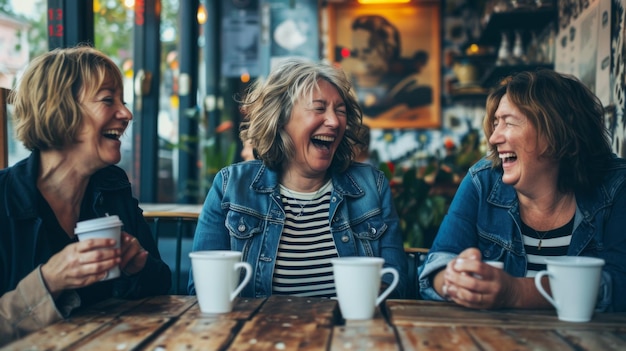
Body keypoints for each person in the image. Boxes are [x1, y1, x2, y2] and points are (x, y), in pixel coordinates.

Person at [188, 58, 408, 299]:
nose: (334, 122)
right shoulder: (230, 187)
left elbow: (397, 284)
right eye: (319, 108)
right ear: (280, 119)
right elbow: (200, 290)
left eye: (340, 111)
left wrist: (371, 294)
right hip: (256, 333)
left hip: (348, 333)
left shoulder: (371, 187)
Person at [0, 46, 172, 344]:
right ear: (59, 109)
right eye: (108, 100)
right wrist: (49, 281)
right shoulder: (5, 199)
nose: (127, 114)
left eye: (124, 101)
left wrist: (137, 266)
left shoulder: (112, 187)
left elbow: (160, 290)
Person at [418, 69, 626, 312]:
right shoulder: (482, 181)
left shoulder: (616, 187)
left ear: (557, 133)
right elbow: (438, 264)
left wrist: (516, 292)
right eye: (495, 124)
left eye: (509, 122)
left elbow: (619, 285)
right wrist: (454, 280)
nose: (494, 138)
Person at [341, 15, 432, 119]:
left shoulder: (415, 90)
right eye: (356, 52)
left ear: (389, 49)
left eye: (367, 51)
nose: (360, 57)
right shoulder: (351, 86)